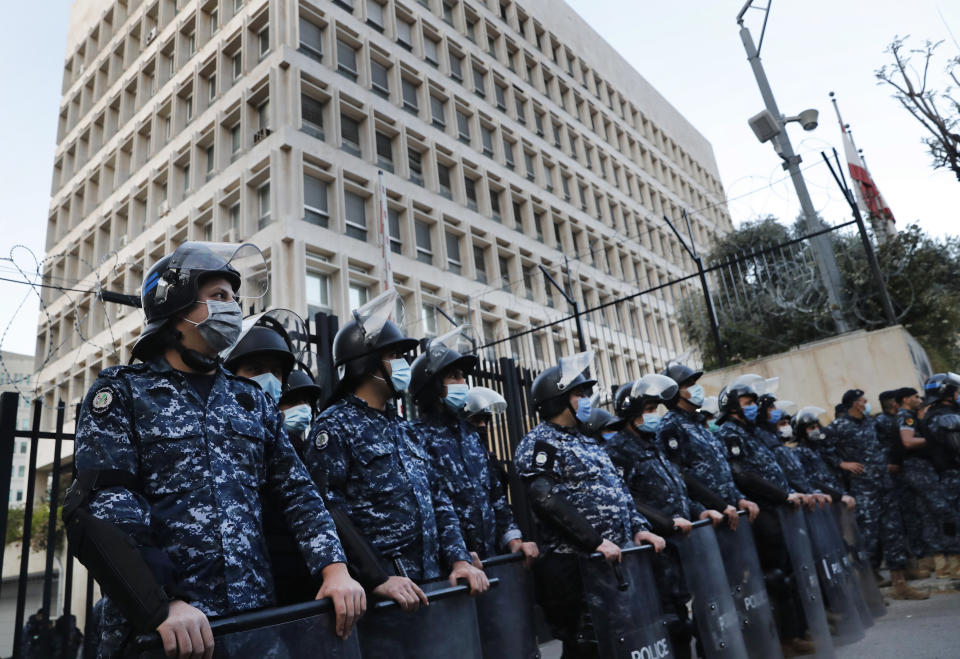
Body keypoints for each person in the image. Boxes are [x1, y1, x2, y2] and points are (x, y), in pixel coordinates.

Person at [64, 242, 365, 658]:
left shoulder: (251, 400)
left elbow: (298, 493)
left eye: (235, 299)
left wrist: (335, 570)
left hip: (253, 624)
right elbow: (109, 505)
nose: (233, 308)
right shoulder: (122, 392)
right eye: (220, 296)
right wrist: (164, 601)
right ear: (177, 305)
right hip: (163, 632)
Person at [301, 290, 488, 613]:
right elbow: (327, 510)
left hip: (432, 584)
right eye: (394, 356)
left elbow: (438, 499)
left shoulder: (403, 429)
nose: (404, 364)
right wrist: (376, 578)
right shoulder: (335, 426)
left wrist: (458, 558)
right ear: (366, 361)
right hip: (384, 597)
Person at [514, 351, 665, 659]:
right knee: (586, 646)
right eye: (579, 393)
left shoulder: (587, 442)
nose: (587, 399)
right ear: (558, 398)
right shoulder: (540, 442)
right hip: (576, 567)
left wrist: (638, 528)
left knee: (621, 639)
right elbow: (544, 498)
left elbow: (618, 489)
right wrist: (595, 541)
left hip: (611, 561)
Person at [606, 374, 724, 659]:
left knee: (685, 616)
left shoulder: (653, 444)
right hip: (653, 550)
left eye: (654, 409)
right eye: (647, 410)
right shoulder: (618, 450)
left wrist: (699, 510)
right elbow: (627, 499)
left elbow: (676, 486)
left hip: (679, 545)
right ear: (631, 412)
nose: (653, 415)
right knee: (669, 623)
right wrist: (666, 524)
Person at [410, 328, 538, 565]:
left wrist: (513, 539)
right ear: (432, 386)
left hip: (491, 561)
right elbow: (425, 510)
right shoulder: (415, 437)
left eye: (463, 376)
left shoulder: (471, 436)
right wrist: (455, 555)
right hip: (450, 570)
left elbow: (496, 497)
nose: (463, 383)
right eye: (454, 376)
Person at [832, 389, 927, 598]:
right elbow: (823, 449)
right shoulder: (839, 426)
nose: (866, 402)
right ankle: (867, 589)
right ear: (855, 403)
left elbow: (890, 441)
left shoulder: (871, 422)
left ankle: (899, 584)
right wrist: (842, 463)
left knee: (894, 534)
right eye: (862, 400)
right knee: (868, 539)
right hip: (864, 490)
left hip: (885, 486)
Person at [657, 364, 758, 529]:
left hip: (731, 510)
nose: (696, 388)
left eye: (694, 383)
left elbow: (721, 467)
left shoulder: (697, 423)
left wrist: (739, 498)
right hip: (709, 517)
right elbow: (679, 475)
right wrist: (717, 505)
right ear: (673, 393)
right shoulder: (670, 426)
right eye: (689, 385)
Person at [916, 374, 960, 578]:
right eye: (956, 391)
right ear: (947, 393)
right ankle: (954, 566)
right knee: (952, 519)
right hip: (950, 474)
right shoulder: (940, 417)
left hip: (951, 472)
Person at [279, 369, 323, 455]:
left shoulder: (311, 449)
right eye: (293, 401)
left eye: (307, 401)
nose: (303, 406)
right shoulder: (267, 451)